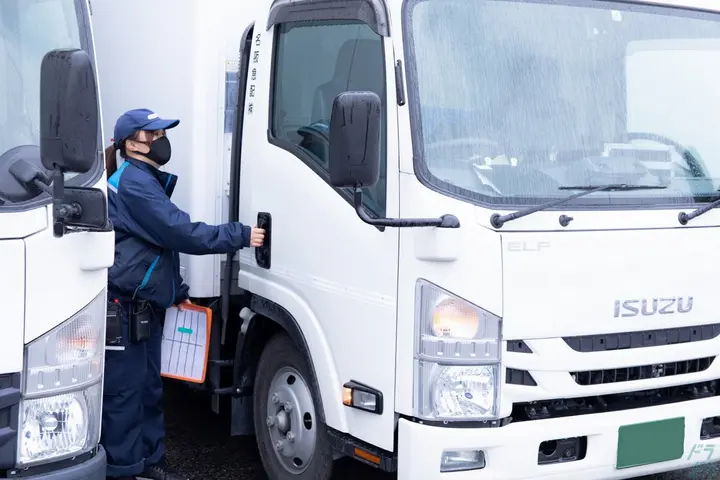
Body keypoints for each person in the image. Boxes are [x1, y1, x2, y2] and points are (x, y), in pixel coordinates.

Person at [101, 108, 264, 480]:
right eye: (153, 134)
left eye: (161, 133)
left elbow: (156, 248)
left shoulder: (144, 178)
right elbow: (178, 232)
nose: (161, 139)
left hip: (143, 307)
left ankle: (149, 463)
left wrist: (178, 292)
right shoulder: (133, 183)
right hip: (124, 308)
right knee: (125, 395)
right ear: (132, 143)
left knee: (147, 389)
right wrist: (239, 235)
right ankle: (125, 471)